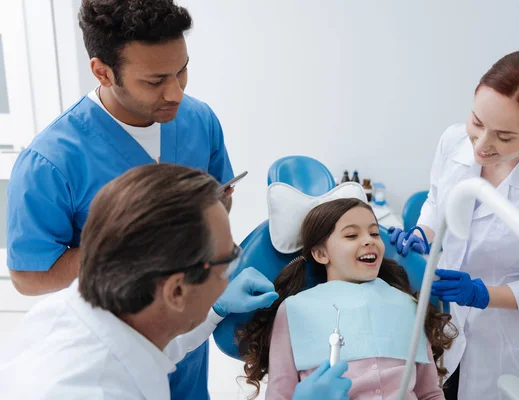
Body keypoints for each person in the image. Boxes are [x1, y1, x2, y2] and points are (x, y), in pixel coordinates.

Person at [5, 1, 259, 398]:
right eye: (155, 81)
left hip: (182, 343)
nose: (175, 92)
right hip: (115, 348)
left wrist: (211, 297)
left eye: (182, 71)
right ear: (102, 71)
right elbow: (29, 276)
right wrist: (139, 246)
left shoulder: (199, 120)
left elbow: (216, 204)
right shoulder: (50, 162)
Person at [0, 164, 348, 399]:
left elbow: (154, 341)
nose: (235, 270)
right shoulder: (91, 389)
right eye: (229, 259)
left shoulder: (86, 305)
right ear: (177, 290)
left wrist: (214, 307)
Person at [390, 50, 519, 400]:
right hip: (443, 326)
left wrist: (484, 295)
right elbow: (437, 199)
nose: (482, 146)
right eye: (477, 122)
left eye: (504, 137)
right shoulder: (453, 141)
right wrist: (422, 233)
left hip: (505, 347)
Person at [237, 198, 456, 399]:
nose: (368, 241)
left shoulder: (407, 305)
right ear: (321, 254)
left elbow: (429, 394)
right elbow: (279, 394)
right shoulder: (294, 310)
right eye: (351, 235)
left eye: (374, 233)